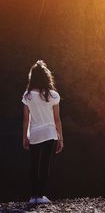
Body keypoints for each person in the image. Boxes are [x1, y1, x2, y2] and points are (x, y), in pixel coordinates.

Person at [22, 60, 64, 204]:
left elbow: (26, 120)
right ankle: (41, 196)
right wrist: (60, 138)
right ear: (47, 77)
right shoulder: (53, 95)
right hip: (50, 133)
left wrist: (25, 137)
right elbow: (57, 119)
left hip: (35, 133)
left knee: (34, 165)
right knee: (45, 165)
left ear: (32, 77)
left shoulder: (27, 96)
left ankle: (33, 197)